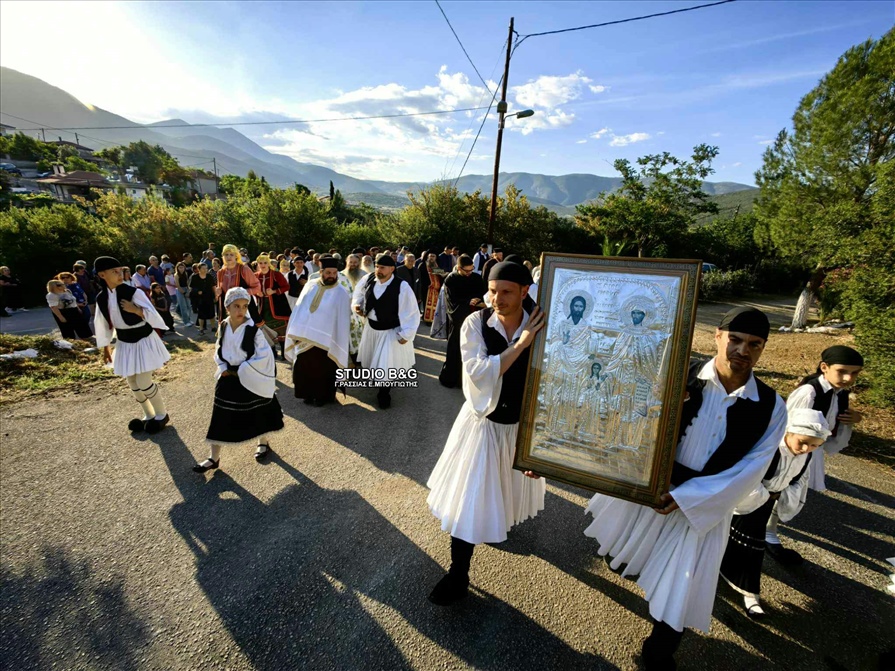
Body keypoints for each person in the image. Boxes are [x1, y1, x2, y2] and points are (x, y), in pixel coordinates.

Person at [583, 306, 787, 670]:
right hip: (655, 485)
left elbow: (752, 468)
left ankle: (659, 650)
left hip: (703, 503)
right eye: (735, 340)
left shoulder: (771, 406)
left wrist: (687, 498)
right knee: (627, 550)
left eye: (755, 344)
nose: (743, 350)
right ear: (718, 337)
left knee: (684, 581)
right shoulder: (680, 373)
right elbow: (629, 412)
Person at [426, 260, 547, 605]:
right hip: (484, 424)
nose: (497, 298)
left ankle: (491, 527)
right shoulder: (475, 322)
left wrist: (543, 447)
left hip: (521, 426)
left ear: (525, 291)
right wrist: (521, 344)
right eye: (493, 291)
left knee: (502, 493)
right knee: (470, 499)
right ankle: (458, 574)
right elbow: (478, 374)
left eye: (506, 292)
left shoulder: (544, 321)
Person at [720, 408, 831, 618]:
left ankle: (749, 592)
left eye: (814, 445)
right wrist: (764, 494)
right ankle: (726, 580)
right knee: (730, 541)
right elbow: (744, 475)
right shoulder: (769, 449)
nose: (807, 449)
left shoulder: (806, 456)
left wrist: (783, 495)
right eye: (802, 442)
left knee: (752, 548)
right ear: (789, 432)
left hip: (763, 506)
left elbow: (798, 480)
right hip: (746, 501)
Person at [765, 345, 865, 565]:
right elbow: (788, 425)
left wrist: (853, 420)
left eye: (855, 373)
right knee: (779, 487)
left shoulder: (840, 393)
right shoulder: (809, 392)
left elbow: (832, 424)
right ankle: (765, 531)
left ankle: (768, 529)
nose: (849, 378)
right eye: (842, 371)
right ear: (824, 367)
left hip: (811, 451)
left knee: (793, 490)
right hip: (793, 451)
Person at [193, 287, 284, 472]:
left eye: (244, 306)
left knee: (260, 411)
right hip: (228, 376)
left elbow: (264, 355)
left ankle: (263, 442)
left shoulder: (253, 329)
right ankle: (214, 458)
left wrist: (244, 369)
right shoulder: (224, 326)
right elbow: (218, 349)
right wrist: (224, 367)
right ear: (227, 307)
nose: (240, 310)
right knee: (220, 417)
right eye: (236, 306)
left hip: (250, 376)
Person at [93, 256, 171, 434]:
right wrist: (106, 347)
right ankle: (148, 415)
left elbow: (153, 315)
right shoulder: (101, 297)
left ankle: (161, 414)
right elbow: (103, 323)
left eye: (121, 270)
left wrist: (136, 310)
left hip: (143, 339)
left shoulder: (133, 292)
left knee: (144, 381)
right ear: (102, 275)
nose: (120, 274)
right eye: (114, 272)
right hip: (125, 342)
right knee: (132, 381)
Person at [352, 253, 420, 409]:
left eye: (382, 267)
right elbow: (358, 294)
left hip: (389, 331)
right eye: (376, 266)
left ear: (391, 268)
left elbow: (411, 312)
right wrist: (357, 304)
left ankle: (384, 393)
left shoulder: (401, 286)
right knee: (372, 359)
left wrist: (407, 334)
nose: (378, 270)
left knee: (386, 366)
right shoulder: (368, 279)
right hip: (371, 328)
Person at [285, 258, 351, 406]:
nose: (331, 276)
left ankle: (323, 397)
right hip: (305, 338)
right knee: (305, 367)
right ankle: (307, 394)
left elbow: (342, 321)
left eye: (334, 273)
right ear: (320, 272)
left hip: (327, 342)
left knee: (324, 370)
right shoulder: (310, 286)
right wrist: (296, 331)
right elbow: (299, 309)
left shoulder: (341, 293)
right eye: (328, 272)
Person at [439, 255, 485, 388]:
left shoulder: (476, 278)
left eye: (472, 270)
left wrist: (479, 301)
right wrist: (467, 302)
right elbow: (451, 304)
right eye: (467, 271)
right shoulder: (451, 280)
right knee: (455, 350)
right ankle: (452, 379)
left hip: (476, 321)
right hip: (458, 321)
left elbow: (483, 294)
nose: (470, 273)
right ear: (459, 268)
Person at [216, 243, 262, 323]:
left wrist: (242, 293)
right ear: (223, 257)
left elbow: (257, 287)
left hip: (245, 309)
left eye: (231, 254)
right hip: (228, 310)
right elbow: (220, 290)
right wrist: (218, 291)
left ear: (236, 256)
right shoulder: (221, 272)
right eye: (226, 254)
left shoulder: (244, 269)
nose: (229, 257)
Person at [254, 254, 291, 340]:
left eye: (265, 263)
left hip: (278, 305)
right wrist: (257, 293)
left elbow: (286, 286)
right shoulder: (255, 276)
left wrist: (274, 291)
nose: (263, 265)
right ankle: (271, 352)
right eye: (260, 263)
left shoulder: (276, 274)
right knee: (265, 333)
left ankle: (283, 351)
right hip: (263, 307)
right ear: (258, 264)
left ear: (268, 264)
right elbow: (252, 288)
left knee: (282, 332)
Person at [189, 262, 216, 335]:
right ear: (199, 269)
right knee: (201, 313)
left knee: (211, 313)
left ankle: (213, 327)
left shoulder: (209, 276)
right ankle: (201, 328)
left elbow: (213, 286)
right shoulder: (195, 277)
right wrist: (197, 291)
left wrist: (216, 295)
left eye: (206, 268)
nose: (205, 270)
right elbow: (191, 287)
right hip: (199, 298)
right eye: (203, 268)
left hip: (209, 297)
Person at [423, 254, 446, 323]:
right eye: (430, 256)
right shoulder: (424, 265)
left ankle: (432, 319)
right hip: (428, 288)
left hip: (435, 289)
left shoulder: (435, 266)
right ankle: (427, 320)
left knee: (434, 305)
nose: (432, 258)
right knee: (427, 304)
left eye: (433, 256)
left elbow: (442, 273)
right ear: (428, 257)